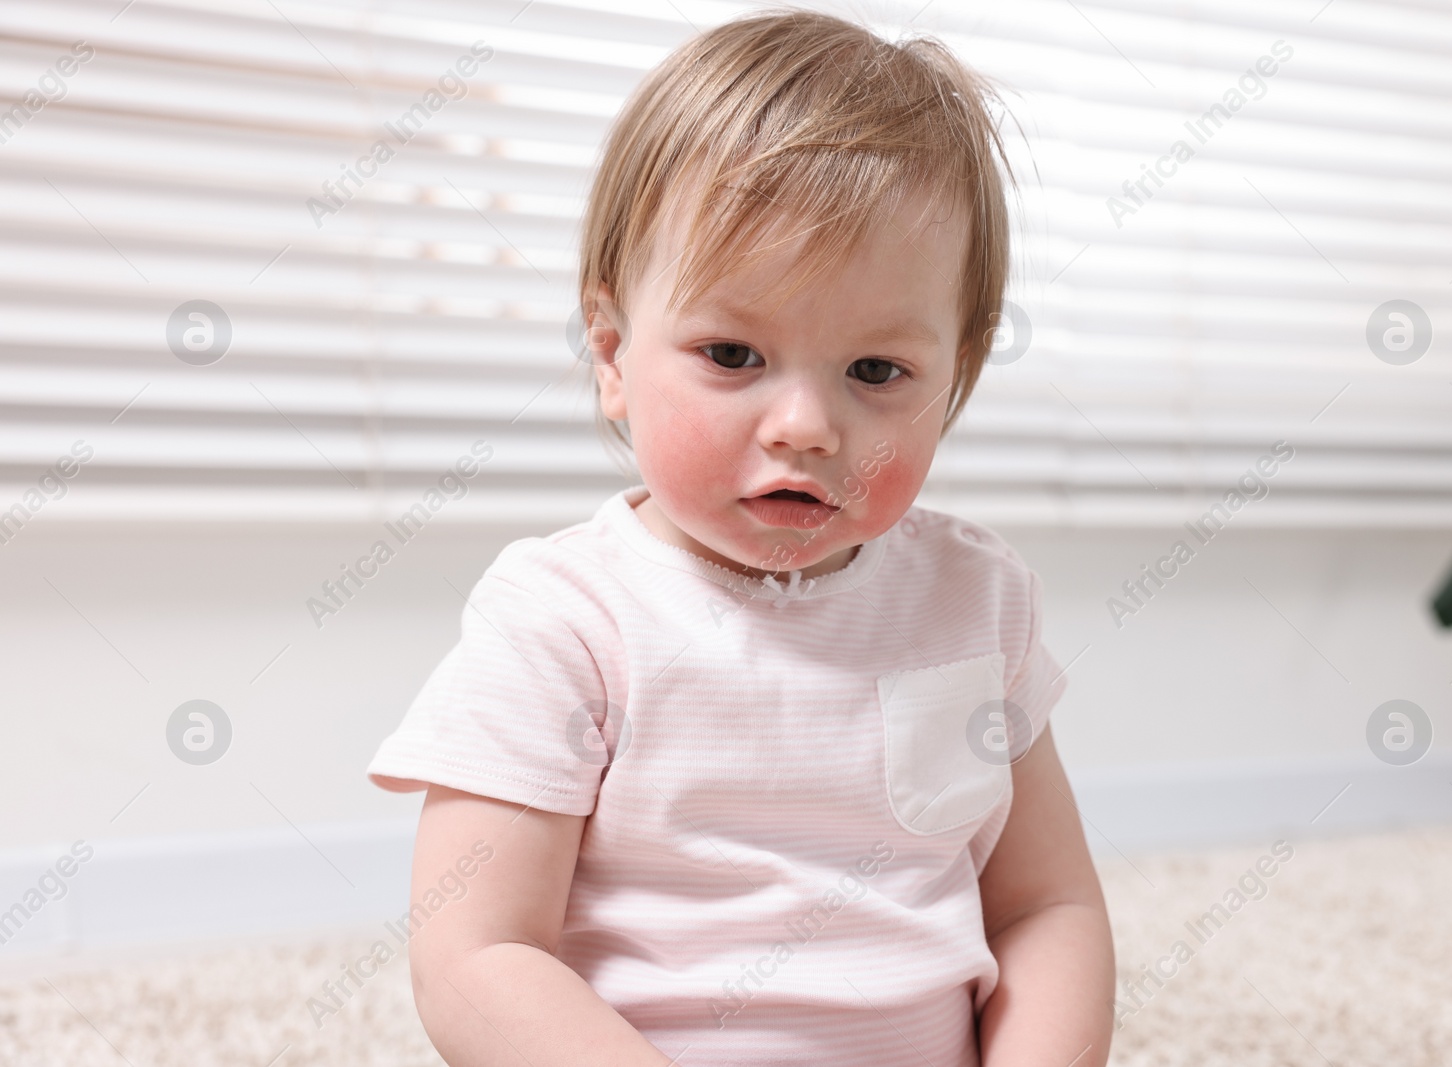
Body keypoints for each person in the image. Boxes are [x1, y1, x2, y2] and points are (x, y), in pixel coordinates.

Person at [366, 8, 1114, 1065]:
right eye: (731, 352)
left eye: (875, 371)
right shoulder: (563, 617)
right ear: (614, 353)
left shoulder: (972, 600)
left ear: (958, 373)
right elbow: (477, 952)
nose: (806, 425)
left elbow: (1045, 905)